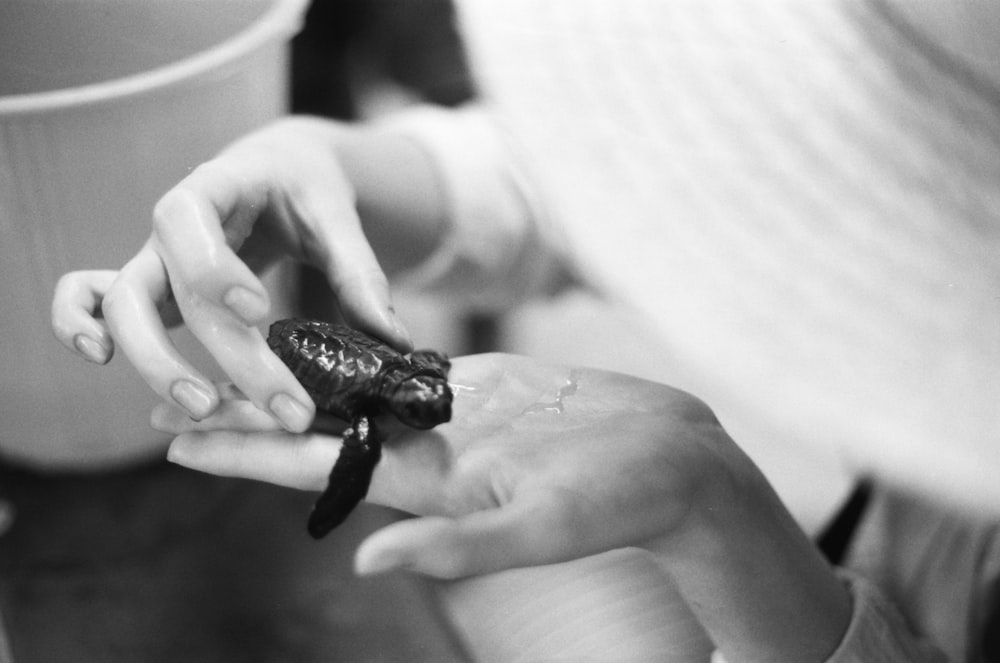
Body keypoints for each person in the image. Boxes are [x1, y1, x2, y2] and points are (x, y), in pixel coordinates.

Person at [50, 1, 1000, 661]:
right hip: (329, 352)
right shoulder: (404, 379)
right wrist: (328, 164)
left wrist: (718, 517)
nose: (434, 393)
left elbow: (378, 413)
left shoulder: (387, 404)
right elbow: (622, 179)